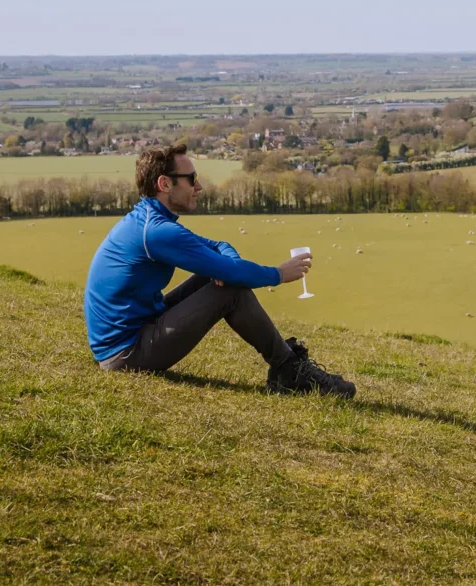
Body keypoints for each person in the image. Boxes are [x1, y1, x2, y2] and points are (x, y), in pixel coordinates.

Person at [83, 144, 356, 398]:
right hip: (126, 354)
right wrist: (279, 274)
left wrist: (227, 268)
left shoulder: (149, 221)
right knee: (232, 291)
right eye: (191, 178)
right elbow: (232, 271)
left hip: (135, 333)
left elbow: (219, 246)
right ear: (165, 184)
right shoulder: (156, 232)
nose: (198, 186)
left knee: (217, 277)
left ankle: (288, 367)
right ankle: (290, 370)